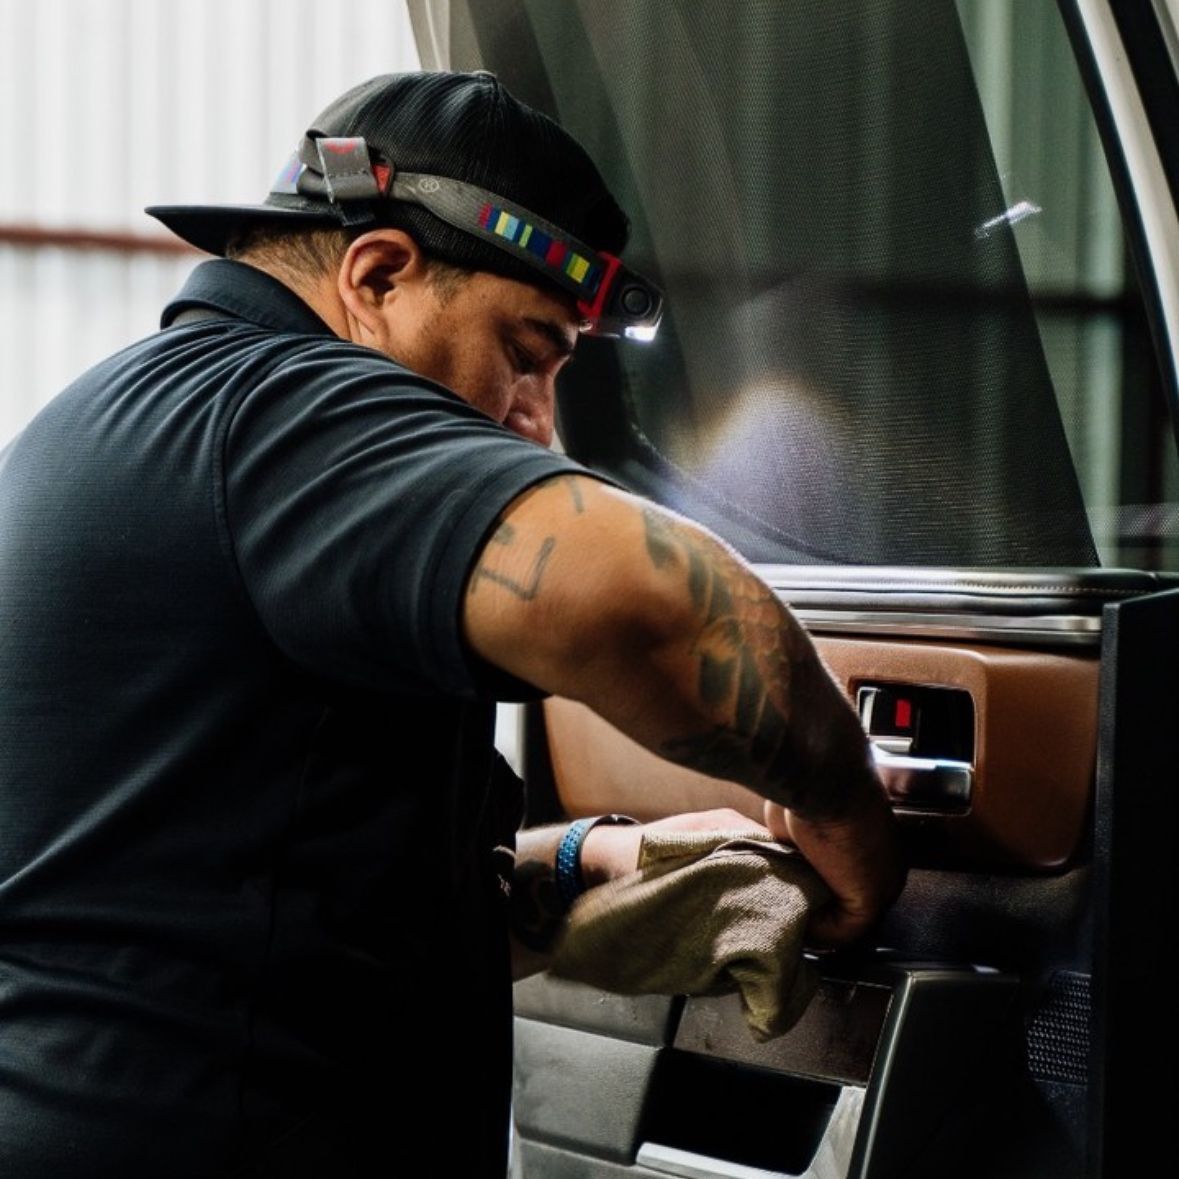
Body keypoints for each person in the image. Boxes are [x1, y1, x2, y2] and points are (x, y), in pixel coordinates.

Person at [0, 71, 903, 1176]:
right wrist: (845, 809)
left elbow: (248, 891)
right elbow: (649, 604)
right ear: (378, 276)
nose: (537, 424)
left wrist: (579, 867)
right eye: (524, 355)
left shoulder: (135, 421)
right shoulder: (285, 409)